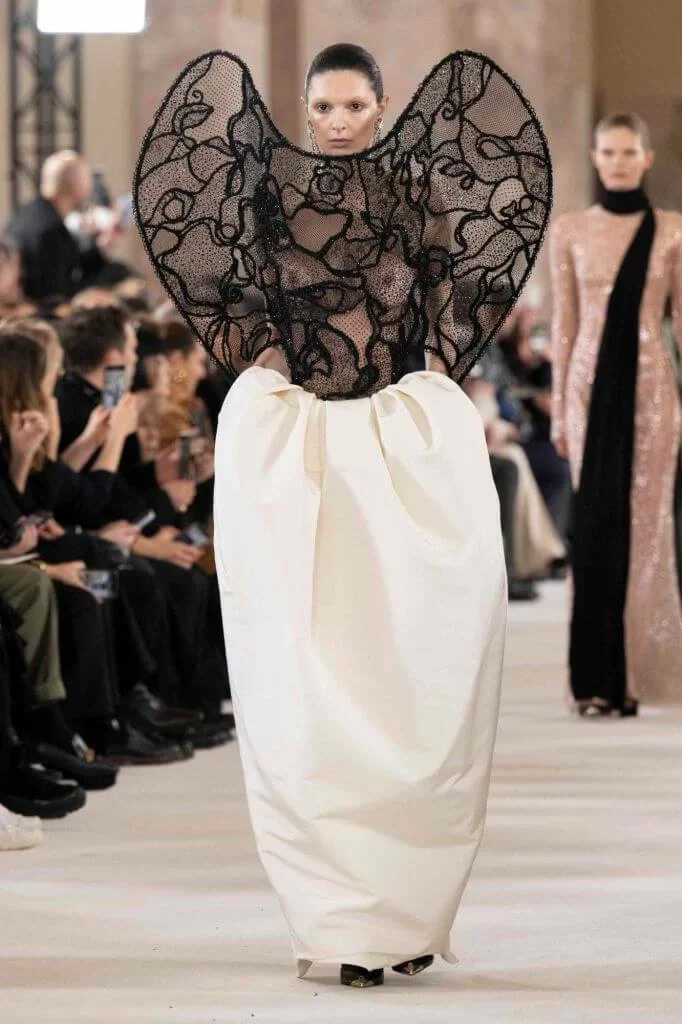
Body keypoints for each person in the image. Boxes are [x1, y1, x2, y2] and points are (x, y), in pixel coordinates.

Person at [135, 44, 551, 987]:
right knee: (308, 685)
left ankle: (406, 912)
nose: (335, 121)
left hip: (399, 453)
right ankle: (339, 922)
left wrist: (437, 405)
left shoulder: (415, 198)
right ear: (304, 103)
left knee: (410, 675)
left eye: (353, 105)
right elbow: (243, 314)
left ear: (382, 105)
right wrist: (268, 397)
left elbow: (445, 318)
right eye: (322, 105)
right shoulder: (265, 195)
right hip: (304, 455)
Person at [550, 112, 682, 718]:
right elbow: (565, 326)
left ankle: (634, 673)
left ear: (646, 158)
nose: (619, 162)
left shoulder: (673, 232)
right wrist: (559, 409)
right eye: (608, 152)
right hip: (585, 390)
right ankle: (595, 679)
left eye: (629, 152)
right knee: (595, 525)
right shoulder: (570, 231)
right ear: (595, 157)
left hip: (653, 390)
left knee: (648, 527)